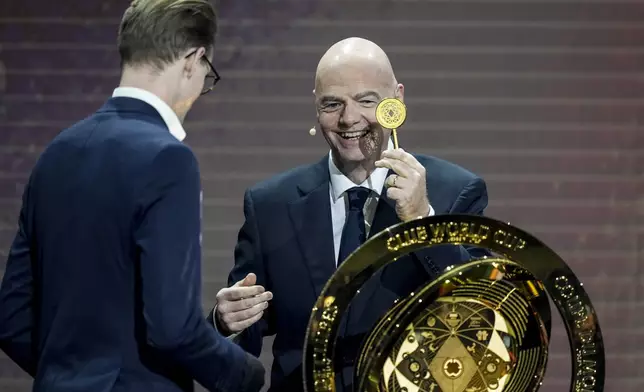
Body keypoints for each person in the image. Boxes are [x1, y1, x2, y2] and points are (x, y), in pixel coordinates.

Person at [0, 0, 265, 391]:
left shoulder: (56, 153)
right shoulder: (168, 159)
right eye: (208, 76)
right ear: (194, 59)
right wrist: (245, 374)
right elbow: (173, 328)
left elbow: (13, 318)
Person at [212, 37, 489, 391]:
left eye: (366, 100)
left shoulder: (454, 192)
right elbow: (244, 335)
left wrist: (423, 221)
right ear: (316, 107)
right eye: (333, 104)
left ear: (397, 99)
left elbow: (482, 312)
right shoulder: (270, 205)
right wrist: (224, 323)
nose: (349, 119)